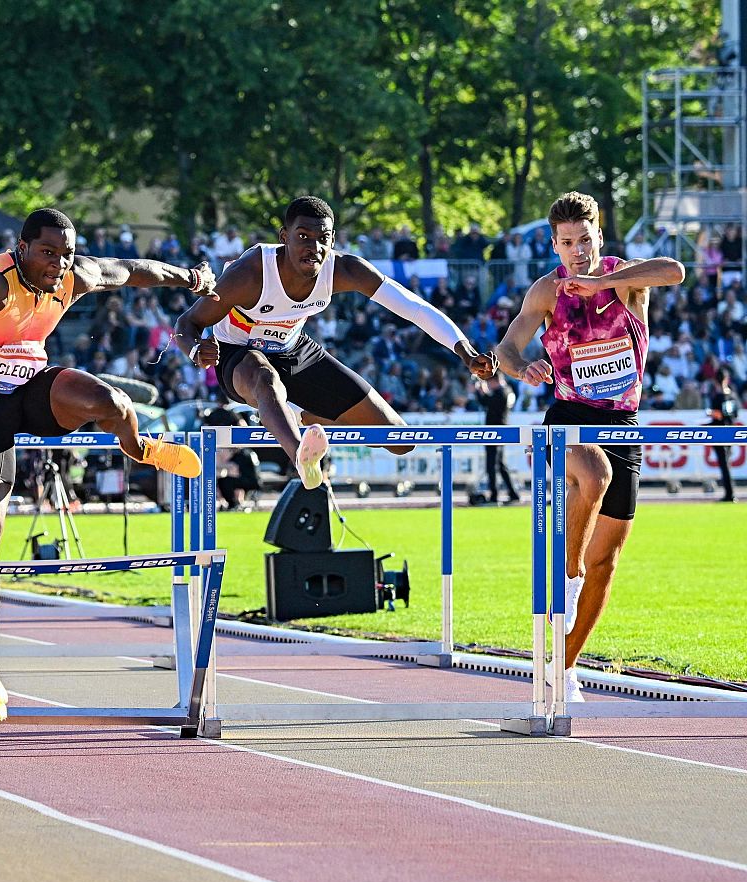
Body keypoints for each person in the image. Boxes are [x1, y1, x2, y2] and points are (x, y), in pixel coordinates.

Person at [0, 207, 217, 726]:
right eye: (48, 253)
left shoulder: (75, 275)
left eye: (66, 254)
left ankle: (139, 448)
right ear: (22, 248)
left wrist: (190, 277)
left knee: (113, 402)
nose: (58, 264)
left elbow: (136, 269)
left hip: (31, 388)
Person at [494, 191, 684, 701]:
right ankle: (567, 578)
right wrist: (522, 366)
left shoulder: (626, 281)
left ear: (598, 236)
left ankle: (564, 665)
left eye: (584, 240)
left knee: (610, 563)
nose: (576, 251)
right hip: (568, 420)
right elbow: (506, 347)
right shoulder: (548, 292)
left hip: (624, 424)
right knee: (594, 476)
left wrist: (603, 281)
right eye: (566, 243)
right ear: (555, 246)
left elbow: (674, 271)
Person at [173, 196, 498, 490]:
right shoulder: (250, 273)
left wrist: (463, 349)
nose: (313, 247)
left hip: (293, 348)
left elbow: (413, 307)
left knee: (400, 439)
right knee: (264, 377)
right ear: (284, 238)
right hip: (238, 355)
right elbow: (186, 323)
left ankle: (299, 415)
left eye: (322, 239)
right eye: (302, 237)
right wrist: (194, 349)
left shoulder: (343, 269)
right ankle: (302, 457)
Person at [478, 373, 520, 504]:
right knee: (500, 465)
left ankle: (494, 494)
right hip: (499, 431)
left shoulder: (502, 392)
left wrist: (482, 392)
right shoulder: (507, 391)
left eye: (490, 382)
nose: (489, 385)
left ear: (495, 380)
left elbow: (489, 404)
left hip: (495, 431)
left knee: (492, 464)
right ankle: (513, 493)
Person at [708, 369, 738, 502]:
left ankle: (729, 493)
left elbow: (718, 415)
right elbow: (735, 414)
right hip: (730, 432)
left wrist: (711, 414)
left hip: (719, 432)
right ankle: (730, 491)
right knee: (727, 464)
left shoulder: (718, 397)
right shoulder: (733, 396)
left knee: (724, 464)